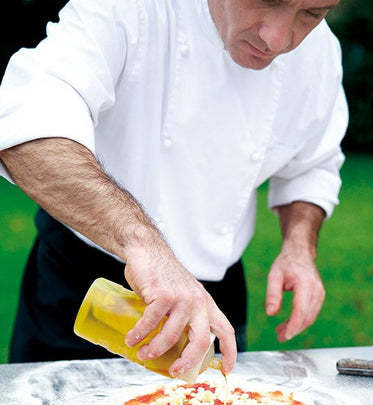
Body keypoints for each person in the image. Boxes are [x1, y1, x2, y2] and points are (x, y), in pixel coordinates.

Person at [0, 0, 348, 378]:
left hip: (213, 299)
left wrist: (299, 245)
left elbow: (313, 164)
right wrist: (144, 245)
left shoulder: (321, 53)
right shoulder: (129, 9)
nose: (277, 39)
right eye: (265, 0)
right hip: (85, 289)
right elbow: (27, 123)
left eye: (311, 13)